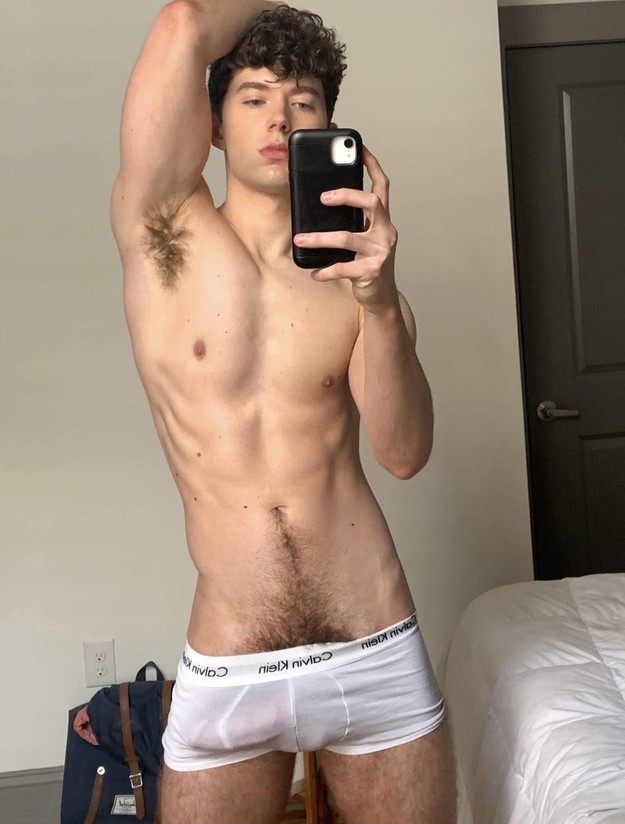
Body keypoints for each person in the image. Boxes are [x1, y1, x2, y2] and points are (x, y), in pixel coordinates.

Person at [110, 1, 457, 822]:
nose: (279, 117)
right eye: (254, 96)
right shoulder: (163, 237)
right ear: (212, 126)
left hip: (372, 649)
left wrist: (379, 300)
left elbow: (404, 453)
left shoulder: (359, 279)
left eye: (303, 101)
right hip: (233, 664)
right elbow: (183, 22)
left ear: (329, 128)